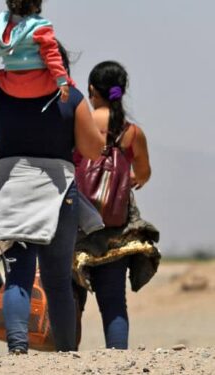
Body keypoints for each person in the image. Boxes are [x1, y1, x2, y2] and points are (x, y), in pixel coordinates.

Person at [0, 37, 105, 353]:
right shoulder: (71, 98)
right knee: (57, 282)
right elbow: (93, 149)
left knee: (18, 276)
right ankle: (67, 351)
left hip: (12, 191)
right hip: (58, 195)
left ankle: (18, 350)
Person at [73, 61, 160, 350]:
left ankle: (63, 361)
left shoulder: (78, 123)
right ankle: (118, 364)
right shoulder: (132, 133)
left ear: (91, 90)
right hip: (115, 229)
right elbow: (144, 173)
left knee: (69, 301)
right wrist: (129, 179)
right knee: (113, 304)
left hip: (75, 224)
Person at [0, 0, 74, 102]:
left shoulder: (3, 26)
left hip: (10, 86)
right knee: (65, 79)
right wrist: (62, 81)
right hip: (40, 86)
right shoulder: (40, 25)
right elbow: (51, 55)